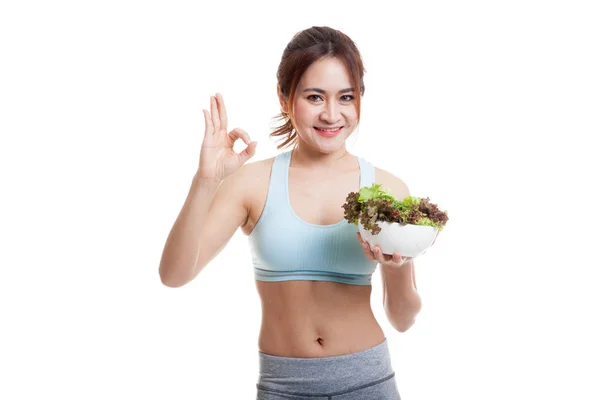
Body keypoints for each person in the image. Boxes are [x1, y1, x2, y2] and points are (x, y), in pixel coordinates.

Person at [159, 26, 422, 400]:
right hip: (284, 387)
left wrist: (398, 267)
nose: (332, 114)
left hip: (368, 381)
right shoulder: (252, 183)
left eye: (346, 97)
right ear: (285, 98)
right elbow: (174, 275)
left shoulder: (389, 190)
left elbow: (403, 318)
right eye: (315, 97)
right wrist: (206, 181)